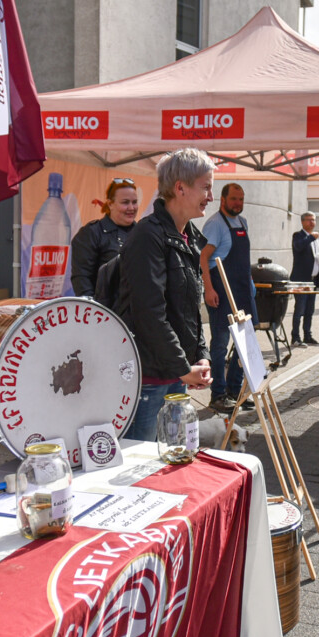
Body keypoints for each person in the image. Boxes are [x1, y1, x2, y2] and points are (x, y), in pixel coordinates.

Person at [118, 148, 215, 441]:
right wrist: (183, 368)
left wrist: (201, 357)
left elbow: (189, 309)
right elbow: (149, 314)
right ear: (180, 188)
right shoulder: (148, 235)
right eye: (206, 187)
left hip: (175, 374)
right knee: (141, 461)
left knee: (171, 457)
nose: (211, 197)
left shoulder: (189, 237)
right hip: (149, 380)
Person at [201, 183, 255, 411]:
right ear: (222, 199)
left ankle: (235, 390)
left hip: (242, 289)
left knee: (245, 342)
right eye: (233, 199)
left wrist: (250, 285)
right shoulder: (215, 224)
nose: (238, 203)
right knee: (221, 344)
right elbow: (203, 257)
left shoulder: (243, 222)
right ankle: (218, 395)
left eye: (241, 199)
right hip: (221, 289)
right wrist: (208, 289)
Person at [71, 178, 138, 298]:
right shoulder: (92, 233)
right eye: (125, 202)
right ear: (110, 204)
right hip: (105, 308)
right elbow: (82, 279)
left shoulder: (142, 232)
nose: (131, 208)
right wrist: (93, 307)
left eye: (134, 202)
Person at [289, 211, 319, 345]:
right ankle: (295, 337)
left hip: (312, 280)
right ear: (302, 222)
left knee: (310, 310)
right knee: (300, 310)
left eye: (313, 220)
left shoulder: (315, 239)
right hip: (301, 280)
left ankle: (307, 336)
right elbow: (298, 247)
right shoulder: (298, 236)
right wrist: (311, 238)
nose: (312, 222)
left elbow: (316, 258)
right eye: (309, 220)